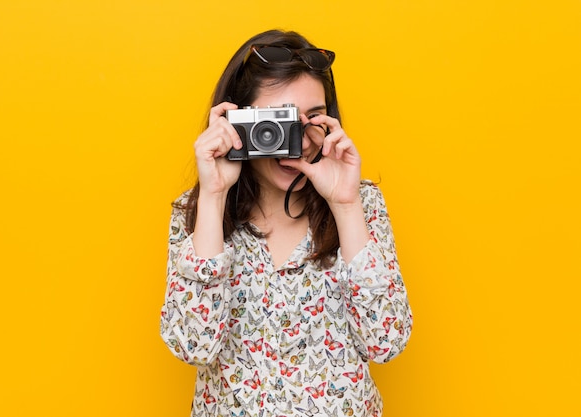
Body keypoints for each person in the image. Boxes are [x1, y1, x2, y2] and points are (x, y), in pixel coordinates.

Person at [160, 29, 413, 417]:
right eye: (276, 121)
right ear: (236, 121)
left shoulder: (361, 202)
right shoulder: (197, 211)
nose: (298, 139)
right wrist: (213, 195)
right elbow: (193, 347)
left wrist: (344, 205)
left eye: (311, 119)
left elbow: (386, 343)